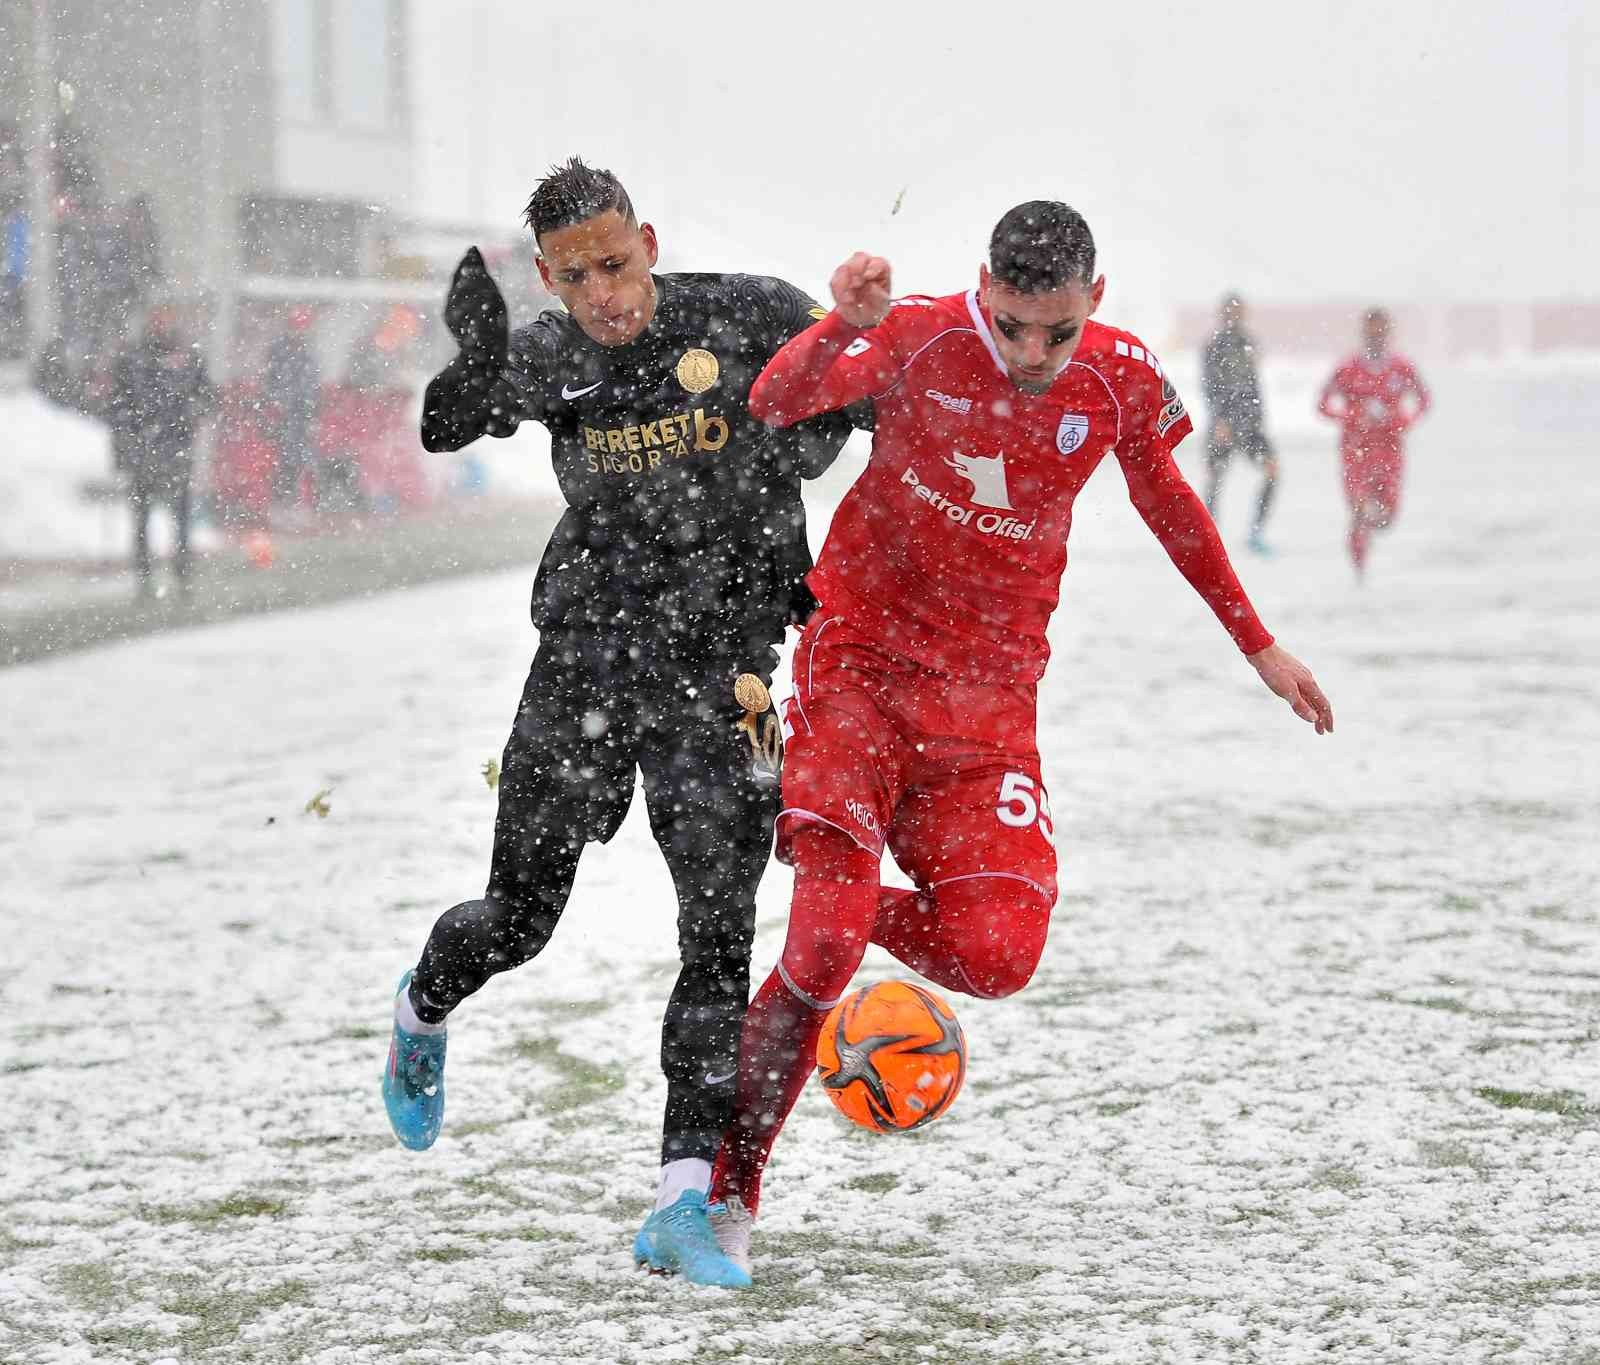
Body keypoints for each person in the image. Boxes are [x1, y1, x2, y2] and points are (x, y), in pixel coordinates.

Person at [690, 202, 1334, 1285]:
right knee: (820, 952)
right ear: (981, 286)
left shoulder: (1118, 378)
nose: (1031, 354)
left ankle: (828, 891)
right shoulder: (919, 335)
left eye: (1056, 331)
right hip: (860, 669)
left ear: (1096, 304)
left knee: (997, 956)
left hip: (989, 711)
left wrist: (1259, 646)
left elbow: (1172, 503)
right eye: (1010, 326)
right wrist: (840, 329)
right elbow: (775, 400)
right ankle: (727, 1198)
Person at [380, 157, 861, 1287]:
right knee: (518, 919)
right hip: (588, 661)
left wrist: (824, 425)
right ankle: (421, 1008)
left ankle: (682, 1203)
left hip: (727, 676)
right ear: (547, 280)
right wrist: (479, 360)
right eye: (575, 275)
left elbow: (875, 387)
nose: (604, 292)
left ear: (648, 239)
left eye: (615, 261)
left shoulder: (747, 310)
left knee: (716, 935)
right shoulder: (550, 354)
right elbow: (445, 430)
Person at [106, 305, 217, 596]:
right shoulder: (132, 359)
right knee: (142, 518)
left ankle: (182, 571)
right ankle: (144, 574)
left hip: (175, 450)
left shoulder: (188, 359)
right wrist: (125, 445)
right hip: (143, 452)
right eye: (157, 317)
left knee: (179, 516)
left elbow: (207, 397)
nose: (161, 323)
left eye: (166, 317)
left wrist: (193, 413)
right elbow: (117, 406)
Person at [1317, 307, 1430, 578]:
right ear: (1363, 331)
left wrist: (1405, 419)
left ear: (1389, 331)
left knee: (1386, 515)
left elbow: (1424, 401)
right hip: (1355, 448)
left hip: (1390, 448)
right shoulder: (1348, 368)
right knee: (1359, 504)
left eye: (1381, 328)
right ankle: (1359, 566)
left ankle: (1368, 528)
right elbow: (1322, 404)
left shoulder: (1401, 367)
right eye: (1371, 328)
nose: (1376, 333)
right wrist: (1351, 416)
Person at [1200, 292, 1277, 555]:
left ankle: (1256, 532)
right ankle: (1208, 537)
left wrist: (1258, 418)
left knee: (1272, 470)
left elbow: (1254, 385)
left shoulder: (1249, 341)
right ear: (1223, 314)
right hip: (1224, 421)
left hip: (1250, 422)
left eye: (1239, 311)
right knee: (1215, 477)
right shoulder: (1214, 345)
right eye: (1230, 311)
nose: (1235, 315)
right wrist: (1220, 420)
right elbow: (1209, 385)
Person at [263, 306, 323, 515]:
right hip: (285, 417)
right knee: (285, 463)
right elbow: (273, 383)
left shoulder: (306, 353)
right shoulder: (281, 352)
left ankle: (294, 504)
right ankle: (282, 505)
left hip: (300, 416)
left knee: (298, 462)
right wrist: (277, 404)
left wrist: (310, 409)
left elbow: (311, 386)